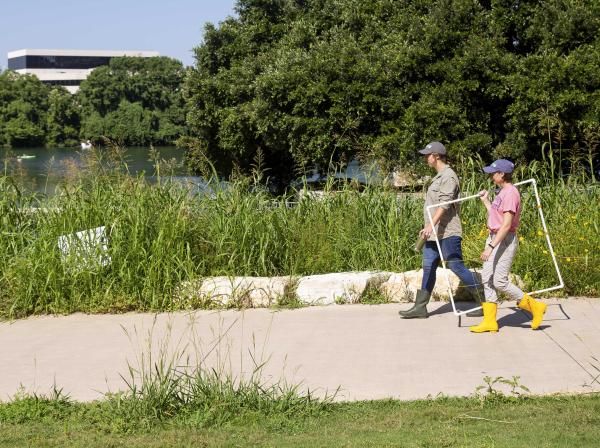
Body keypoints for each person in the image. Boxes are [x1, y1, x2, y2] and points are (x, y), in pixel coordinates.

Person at [400, 141, 483, 319]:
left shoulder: (449, 176)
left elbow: (444, 205)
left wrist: (430, 225)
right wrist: (428, 227)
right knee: (428, 267)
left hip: (447, 232)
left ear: (436, 156)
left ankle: (484, 301)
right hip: (433, 234)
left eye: (427, 155)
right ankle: (420, 307)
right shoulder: (439, 177)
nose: (425, 158)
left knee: (455, 265)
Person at [469, 159, 547, 333]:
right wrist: (486, 202)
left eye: (493, 173)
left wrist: (490, 246)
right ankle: (490, 321)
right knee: (487, 278)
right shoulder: (502, 192)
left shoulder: (510, 193)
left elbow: (506, 225)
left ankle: (535, 307)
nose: (490, 175)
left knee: (500, 281)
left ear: (502, 174)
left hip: (503, 240)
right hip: (495, 237)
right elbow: (496, 218)